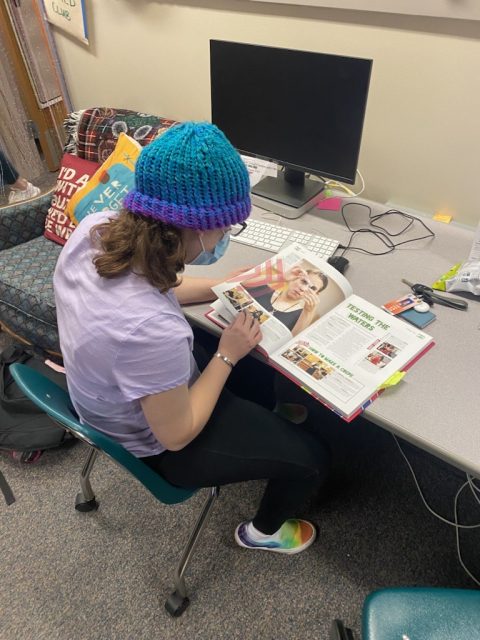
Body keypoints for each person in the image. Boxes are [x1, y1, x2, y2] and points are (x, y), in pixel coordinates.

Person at [54, 122, 333, 555]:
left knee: (253, 373)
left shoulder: (97, 229)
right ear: (197, 228)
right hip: (156, 442)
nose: (224, 239)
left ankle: (265, 420)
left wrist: (219, 284)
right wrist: (225, 355)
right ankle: (261, 534)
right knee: (311, 459)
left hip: (104, 398)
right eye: (226, 229)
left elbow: (149, 286)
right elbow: (178, 434)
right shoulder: (151, 330)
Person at [245, 266, 328, 336]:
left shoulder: (302, 316)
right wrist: (281, 277)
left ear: (316, 294)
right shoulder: (264, 289)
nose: (303, 288)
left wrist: (308, 312)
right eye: (304, 281)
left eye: (312, 288)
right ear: (296, 278)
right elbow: (239, 283)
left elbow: (289, 341)